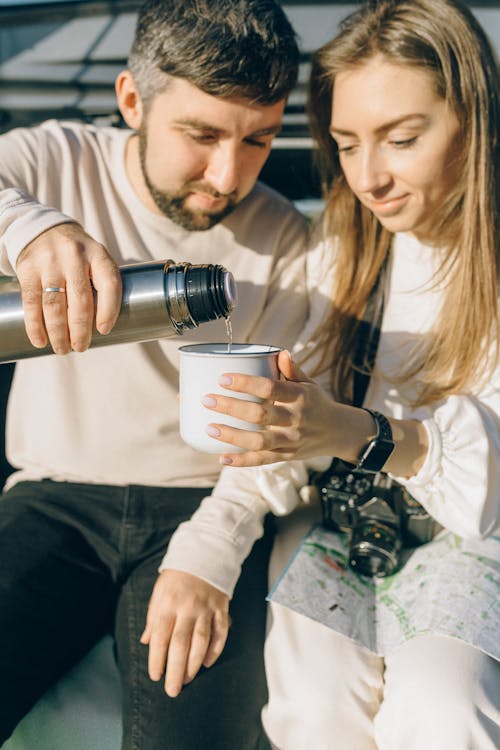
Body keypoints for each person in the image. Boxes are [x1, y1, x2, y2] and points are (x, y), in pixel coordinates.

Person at [173, 0, 500, 747]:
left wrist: (354, 430)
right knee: (312, 713)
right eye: (347, 145)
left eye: (403, 139)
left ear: (476, 121)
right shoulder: (341, 251)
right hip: (337, 526)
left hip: (472, 537)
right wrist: (203, 557)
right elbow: (272, 438)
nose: (369, 178)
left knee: (444, 714)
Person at [0, 1, 310, 748]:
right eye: (201, 135)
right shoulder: (54, 160)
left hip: (202, 507)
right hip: (53, 501)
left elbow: (279, 442)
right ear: (132, 100)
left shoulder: (287, 242)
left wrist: (207, 557)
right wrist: (34, 230)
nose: (228, 175)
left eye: (259, 139)